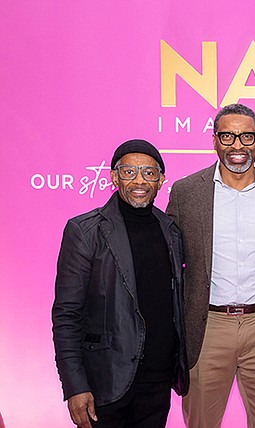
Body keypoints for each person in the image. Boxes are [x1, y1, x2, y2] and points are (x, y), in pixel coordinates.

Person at [167, 103, 255, 428]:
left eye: (246, 136)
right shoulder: (186, 192)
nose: (237, 145)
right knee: (201, 421)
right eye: (228, 136)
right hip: (208, 325)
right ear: (214, 140)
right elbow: (169, 260)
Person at [52, 139, 188, 428]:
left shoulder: (171, 231)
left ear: (162, 180)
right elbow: (66, 315)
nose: (139, 180)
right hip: (106, 380)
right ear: (114, 177)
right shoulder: (85, 231)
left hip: (158, 381)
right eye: (129, 172)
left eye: (149, 173)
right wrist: (75, 386)